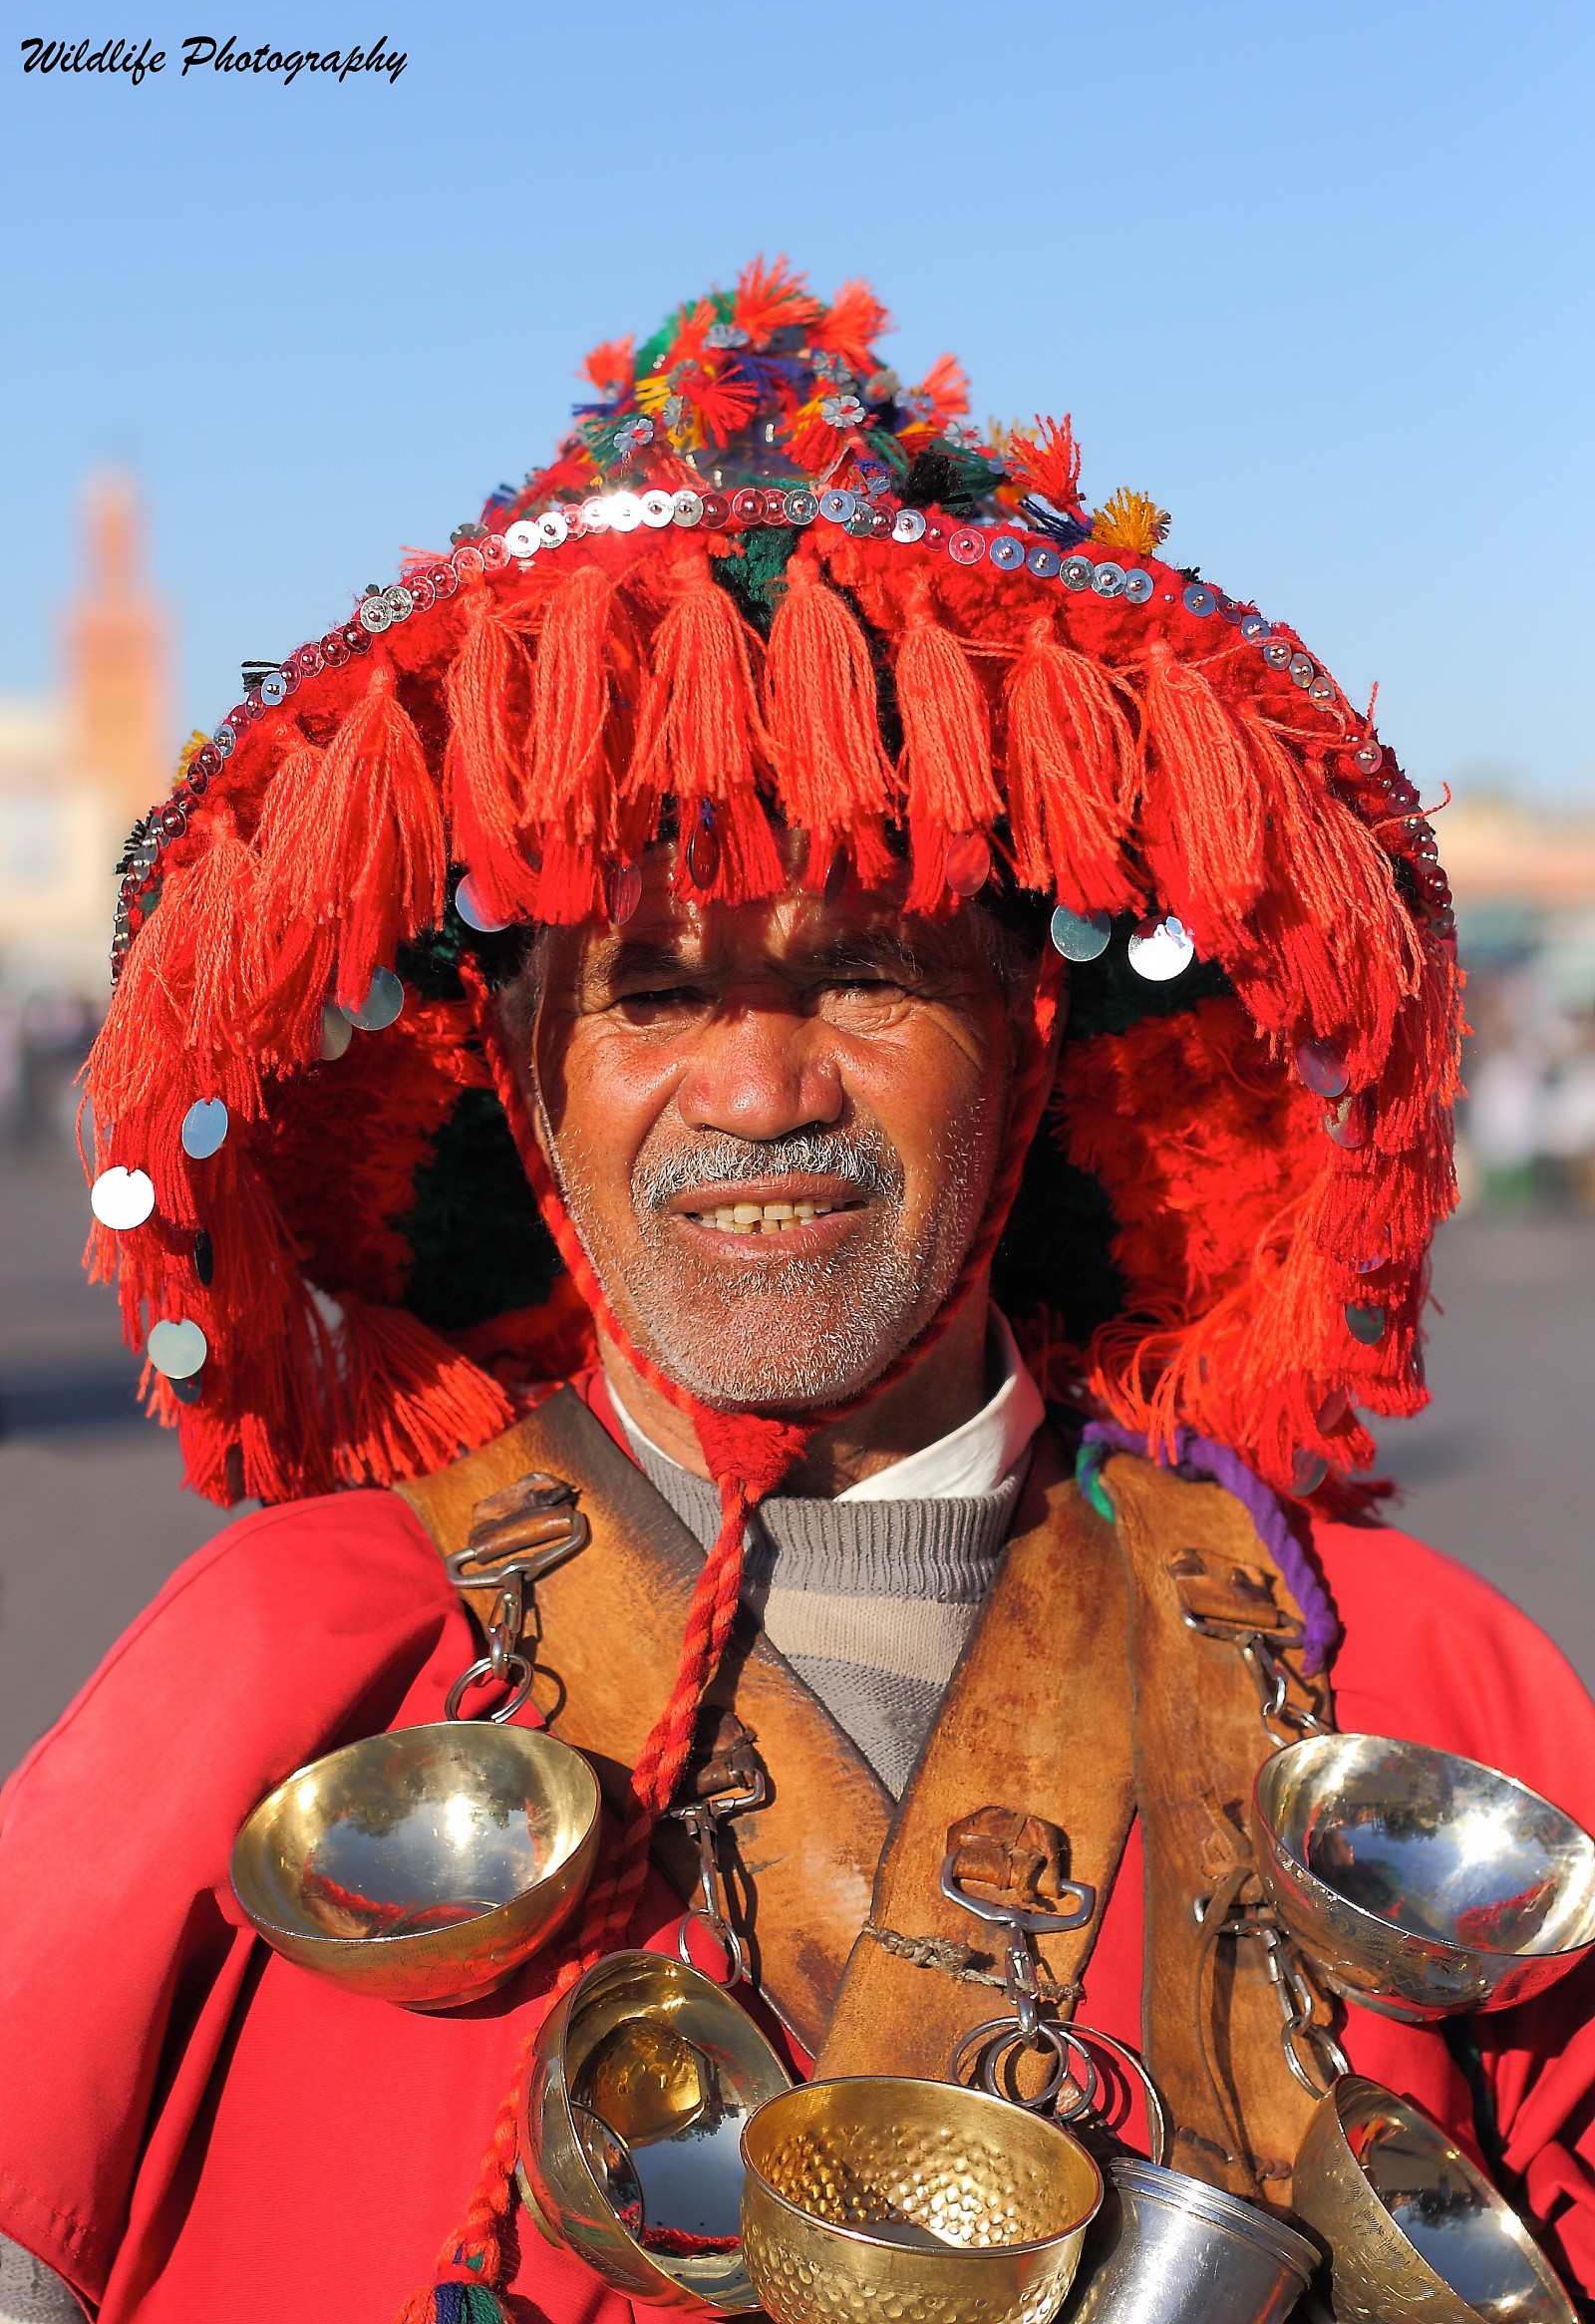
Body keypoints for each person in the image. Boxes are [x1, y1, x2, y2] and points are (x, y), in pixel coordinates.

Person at [1, 260, 1591, 2324]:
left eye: (857, 974)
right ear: (523, 1083)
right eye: (654, 997)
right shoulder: (286, 1661)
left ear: (1025, 1039)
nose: (757, 1089)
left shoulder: (1412, 1691)